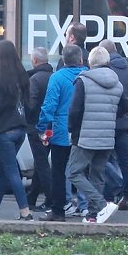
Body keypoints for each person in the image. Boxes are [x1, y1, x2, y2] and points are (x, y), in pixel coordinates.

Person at [66, 46, 128, 224]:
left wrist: (71, 129)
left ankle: (102, 205)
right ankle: (93, 215)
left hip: (85, 136)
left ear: (90, 63)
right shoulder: (117, 83)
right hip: (107, 136)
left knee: (73, 172)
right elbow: (125, 106)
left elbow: (75, 110)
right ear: (108, 62)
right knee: (97, 175)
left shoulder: (83, 81)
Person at [0, 40, 33, 220]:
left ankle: (25, 212)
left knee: (11, 172)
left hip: (4, 131)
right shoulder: (22, 76)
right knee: (4, 171)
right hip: (20, 129)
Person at [37, 44, 87, 222]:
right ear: (81, 59)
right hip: (84, 130)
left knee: (58, 171)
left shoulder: (57, 78)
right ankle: (88, 207)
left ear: (63, 60)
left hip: (61, 130)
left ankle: (58, 210)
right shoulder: (87, 75)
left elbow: (49, 105)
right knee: (84, 170)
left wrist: (42, 128)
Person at [97, 40, 128, 211]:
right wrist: (124, 111)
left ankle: (109, 195)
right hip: (123, 122)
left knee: (104, 159)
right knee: (124, 160)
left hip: (106, 122)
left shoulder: (105, 71)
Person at [26, 47, 53, 212]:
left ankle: (51, 199)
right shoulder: (53, 76)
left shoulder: (35, 79)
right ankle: (32, 198)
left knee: (42, 163)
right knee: (40, 160)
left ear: (35, 61)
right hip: (51, 126)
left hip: (37, 126)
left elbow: (32, 104)